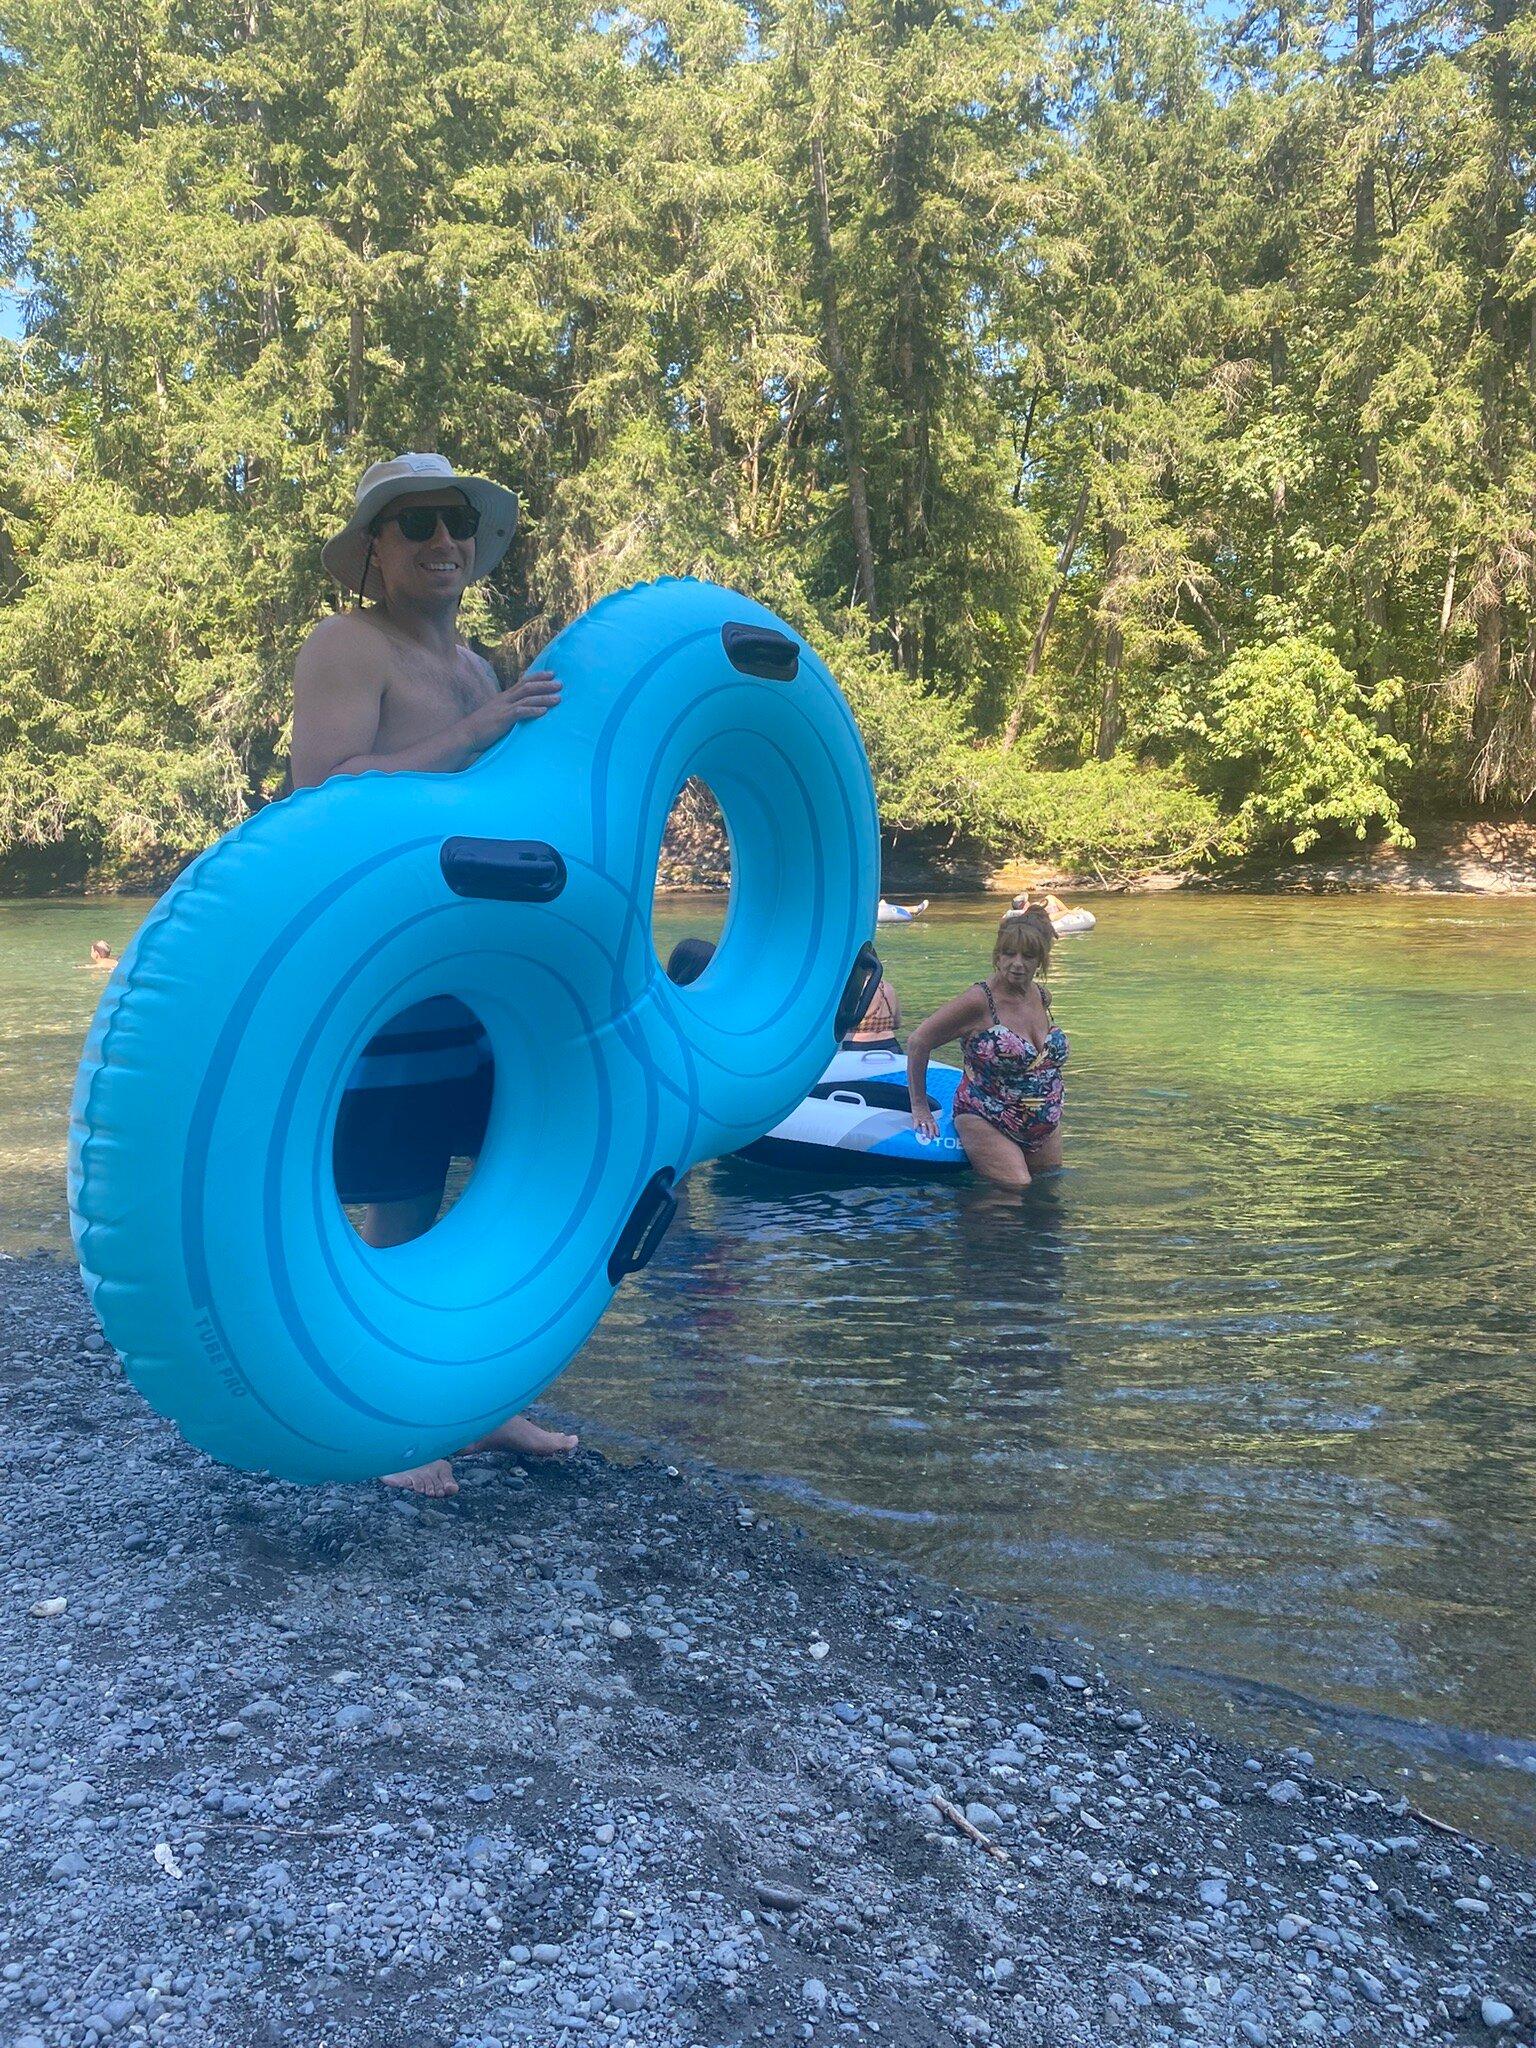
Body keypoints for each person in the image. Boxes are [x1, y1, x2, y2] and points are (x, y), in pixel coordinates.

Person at [290, 450, 573, 1497]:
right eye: (416, 523)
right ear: (374, 549)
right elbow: (320, 791)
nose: (444, 538)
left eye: (455, 518)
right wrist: (478, 730)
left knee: (488, 1189)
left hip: (480, 967)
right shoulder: (347, 644)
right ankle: (388, 1423)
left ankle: (475, 1395)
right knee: (400, 1200)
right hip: (390, 967)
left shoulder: (475, 666)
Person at [905, 906, 1067, 1189]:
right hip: (987, 1115)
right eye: (1009, 954)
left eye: (1028, 956)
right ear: (997, 956)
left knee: (1047, 1195)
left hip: (1042, 1121)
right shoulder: (979, 1000)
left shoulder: (1041, 996)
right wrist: (919, 1107)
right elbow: (918, 1041)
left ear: (1040, 960)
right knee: (1014, 1189)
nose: (1017, 963)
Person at [841, 974, 901, 1052]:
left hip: (856, 1044)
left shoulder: (852, 987)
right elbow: (897, 1024)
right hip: (889, 1043)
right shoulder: (888, 987)